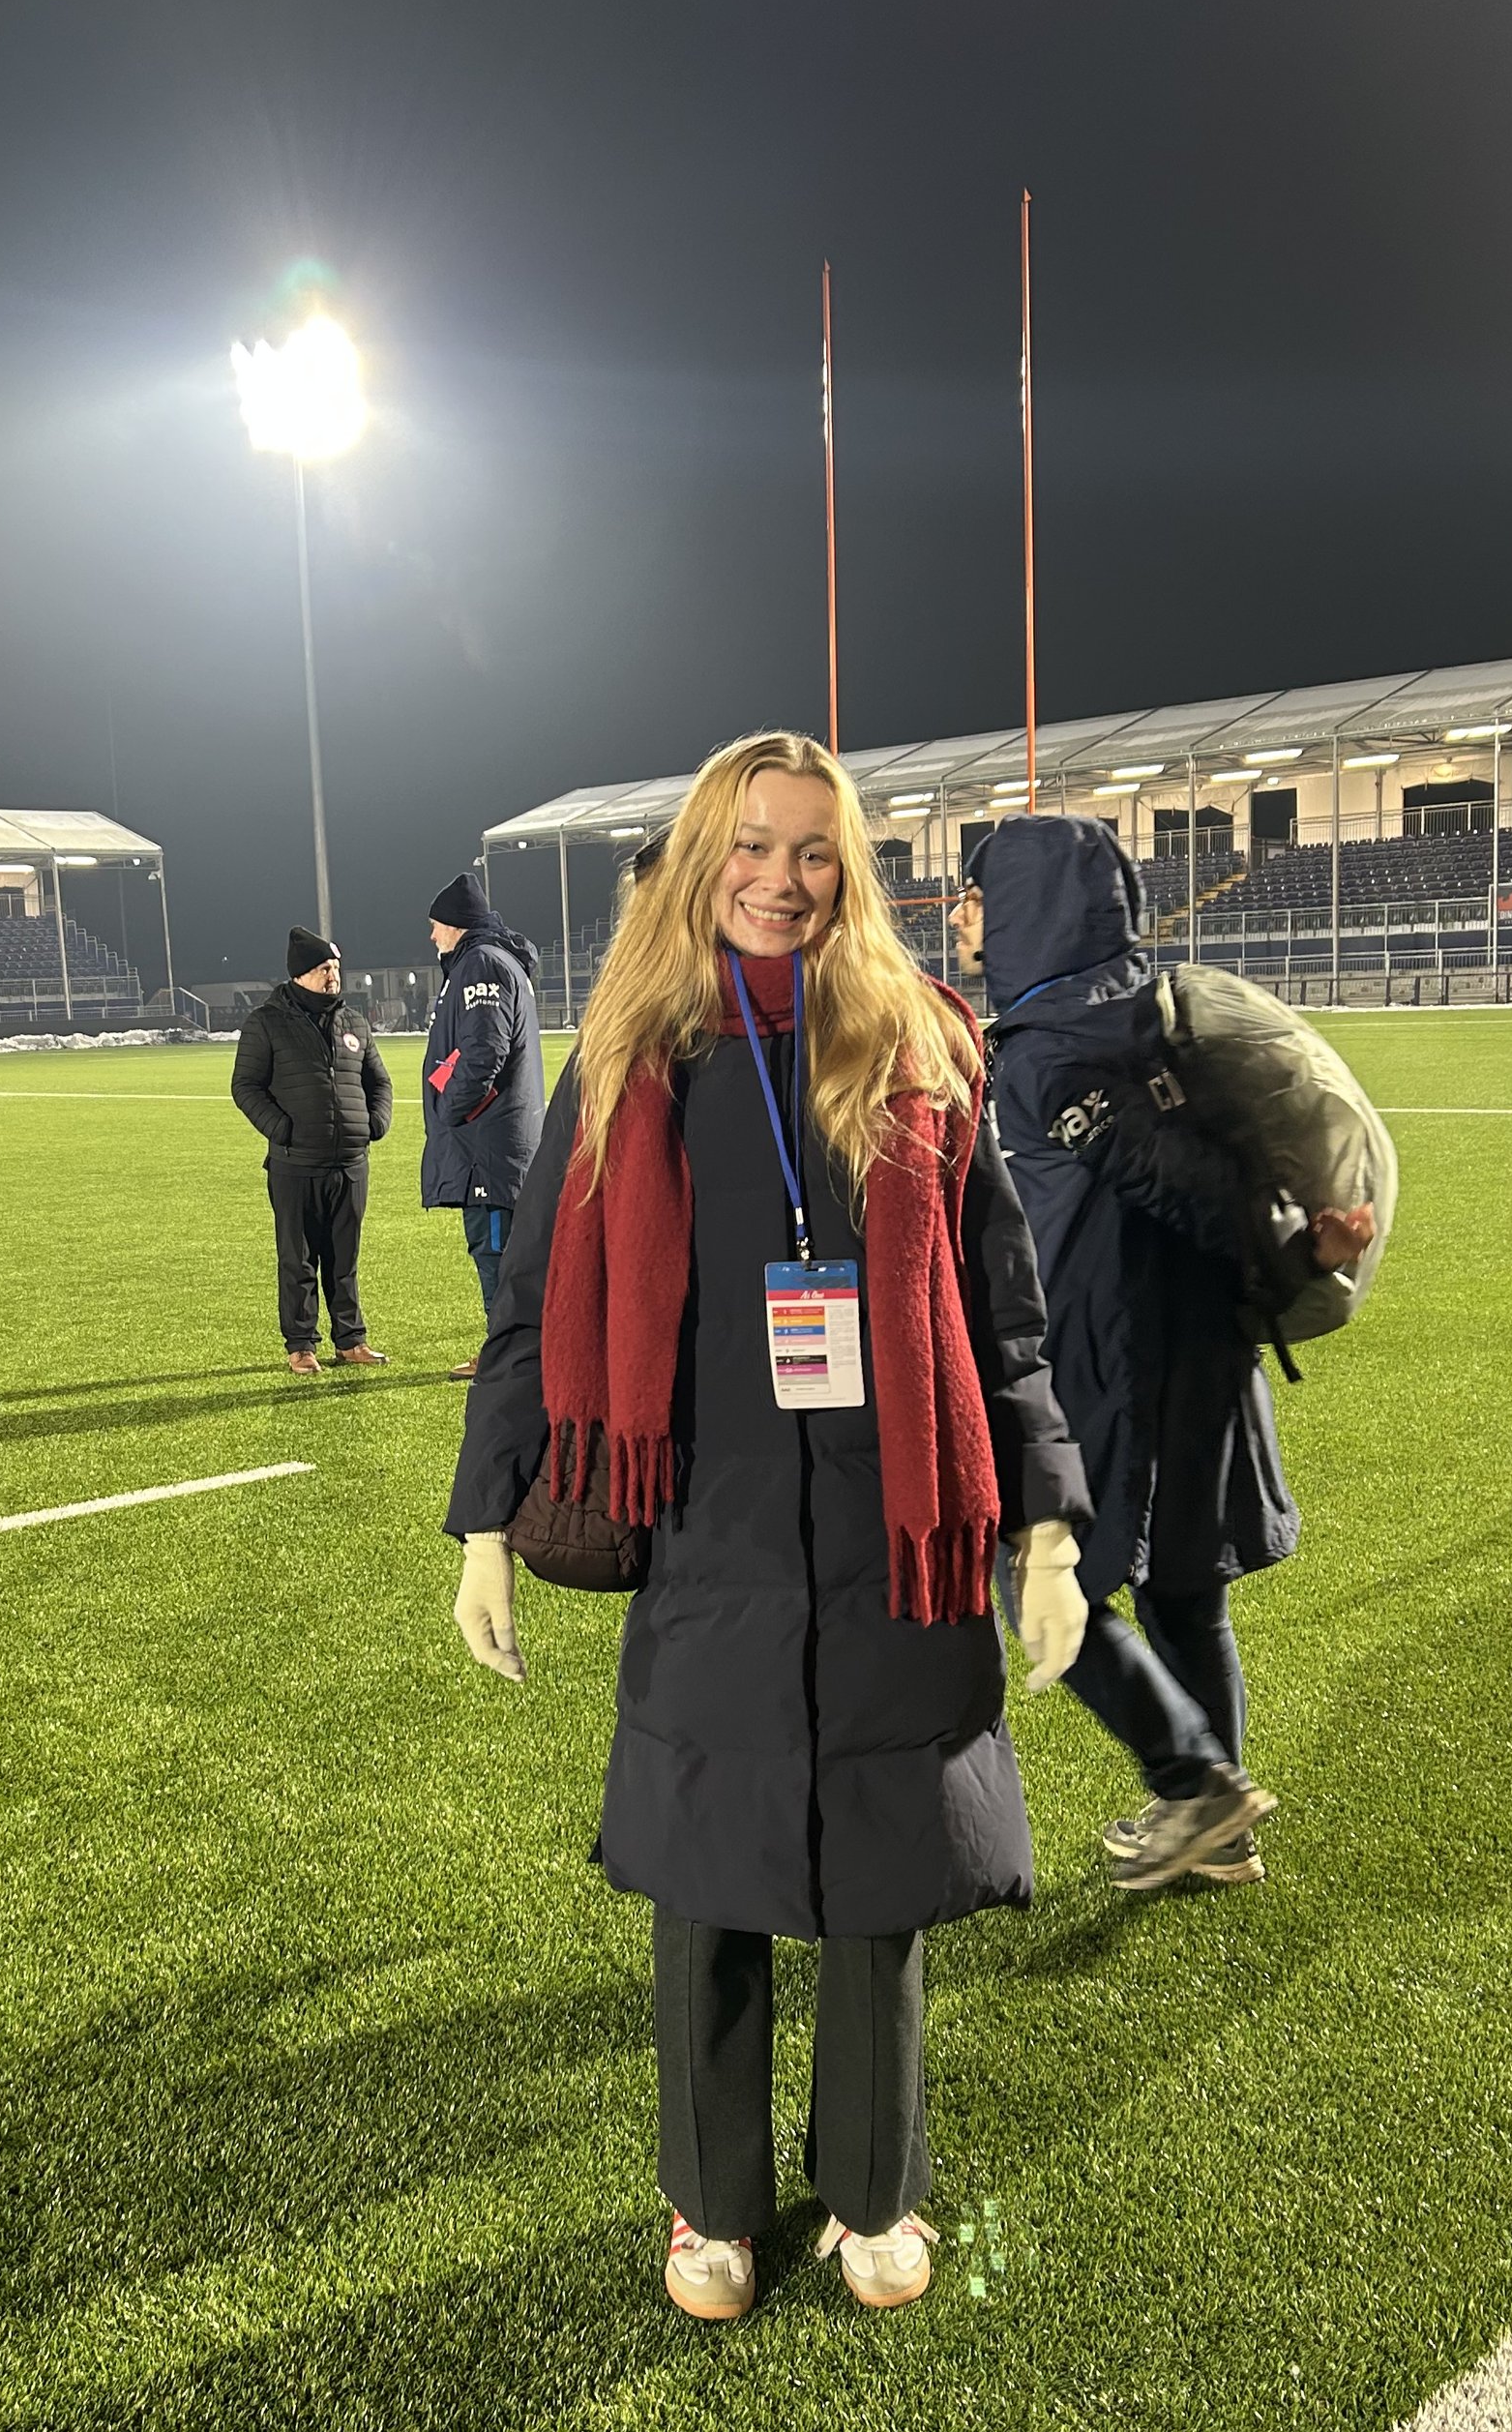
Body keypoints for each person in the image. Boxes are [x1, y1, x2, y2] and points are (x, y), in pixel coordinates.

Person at [445, 732, 1091, 2325]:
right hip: (709, 1525)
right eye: (750, 846)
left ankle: (876, 2187)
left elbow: (1004, 1310)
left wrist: (1048, 1525)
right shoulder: (631, 1051)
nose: (780, 878)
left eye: (813, 849)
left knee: (879, 1886)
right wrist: (480, 1525)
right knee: (708, 1878)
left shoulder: (925, 1044)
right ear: (698, 860)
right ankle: (710, 2201)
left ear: (849, 865)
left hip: (897, 1529)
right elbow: (530, 1308)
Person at [956, 819, 1373, 1890]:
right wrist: (1282, 1262)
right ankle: (1217, 1827)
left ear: (1027, 909)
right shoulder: (1145, 1013)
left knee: (1040, 1579)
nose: (961, 917)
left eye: (975, 898)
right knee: (1185, 1588)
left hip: (1115, 1357)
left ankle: (1194, 1785)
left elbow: (1172, 1178)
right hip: (1202, 1342)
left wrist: (1285, 1251)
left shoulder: (1056, 1047)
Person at [230, 925, 394, 1377]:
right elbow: (245, 1086)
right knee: (298, 1258)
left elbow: (378, 1080)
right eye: (324, 968)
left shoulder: (353, 1021)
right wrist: (282, 1130)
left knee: (345, 1258)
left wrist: (374, 1123)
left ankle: (350, 1340)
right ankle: (301, 1344)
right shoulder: (266, 1022)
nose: (333, 976)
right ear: (301, 974)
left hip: (350, 1164)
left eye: (336, 967)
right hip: (295, 1165)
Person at [420, 870, 546, 1379]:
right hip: (497, 1144)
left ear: (456, 925)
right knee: (507, 1251)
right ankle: (519, 1353)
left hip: (489, 1151)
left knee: (497, 1253)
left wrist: (451, 1112)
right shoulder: (492, 963)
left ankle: (509, 1358)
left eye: (435, 926)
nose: (432, 937)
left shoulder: (481, 965)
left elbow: (484, 1053)